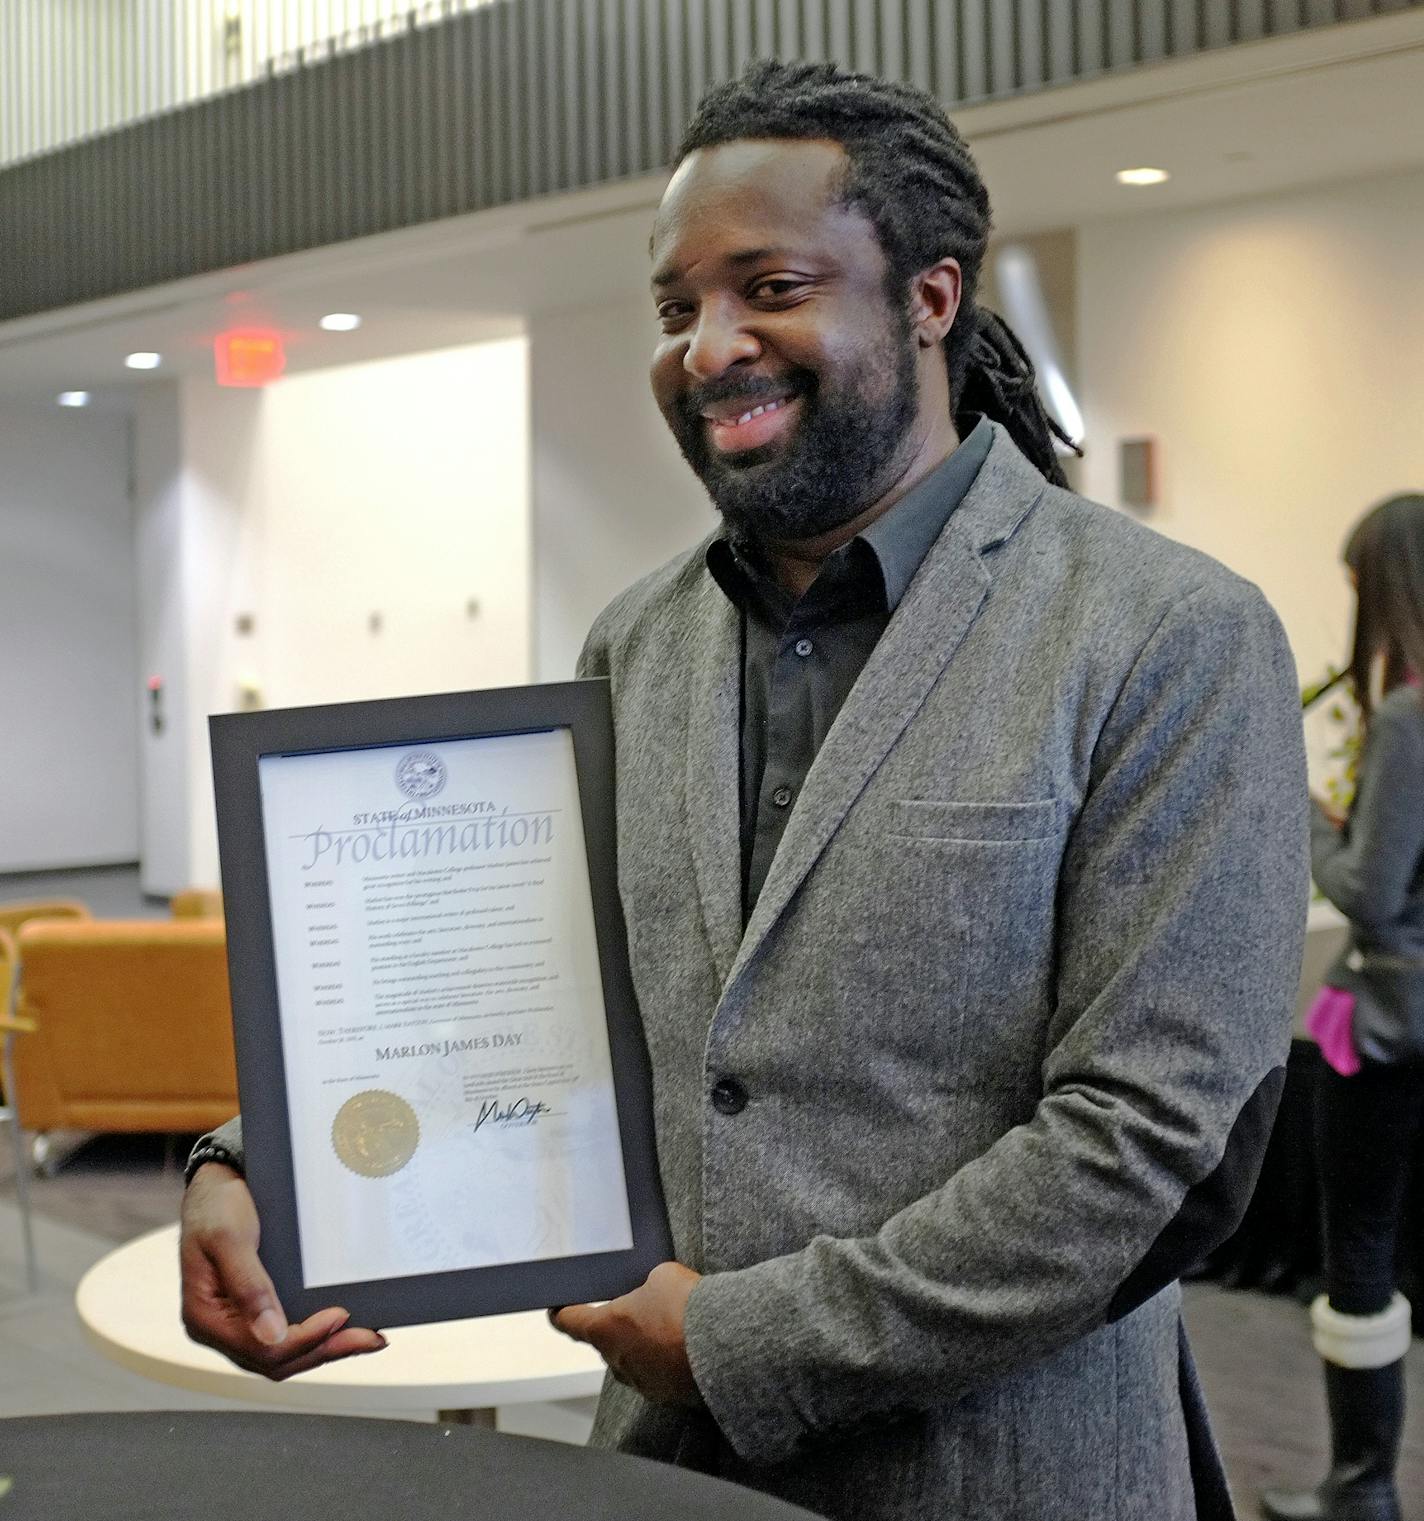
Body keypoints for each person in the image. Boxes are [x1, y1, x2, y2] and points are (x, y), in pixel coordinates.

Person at [180, 60, 1310, 1520]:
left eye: (768, 286)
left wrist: (738, 1341)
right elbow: (530, 1014)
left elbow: (1156, 1149)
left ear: (931, 299)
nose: (709, 346)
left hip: (1005, 1475)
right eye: (675, 308)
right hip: (665, 1477)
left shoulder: (1165, 635)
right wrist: (259, 1169)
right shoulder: (632, 645)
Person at [1260, 494, 1424, 1521]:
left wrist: (1306, 821)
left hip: (1387, 1025)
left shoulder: (1408, 713)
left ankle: (1360, 1489)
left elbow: (1366, 890)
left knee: (1356, 1243)